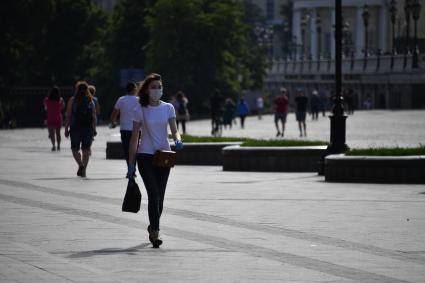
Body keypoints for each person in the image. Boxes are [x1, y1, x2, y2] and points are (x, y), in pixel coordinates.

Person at [127, 73, 183, 248]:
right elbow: (134, 138)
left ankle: (152, 226)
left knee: (161, 199)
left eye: (160, 87)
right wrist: (131, 164)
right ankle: (156, 234)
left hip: (164, 156)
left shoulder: (168, 108)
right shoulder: (140, 109)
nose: (157, 90)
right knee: (154, 195)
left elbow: (175, 129)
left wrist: (178, 139)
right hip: (145, 156)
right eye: (154, 87)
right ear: (146, 90)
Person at [64, 81, 97, 178]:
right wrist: (94, 129)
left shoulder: (72, 100)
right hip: (88, 129)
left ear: (77, 89)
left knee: (75, 149)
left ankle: (81, 165)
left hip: (75, 128)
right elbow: (94, 116)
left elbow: (68, 115)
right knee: (86, 150)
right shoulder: (90, 100)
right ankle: (84, 171)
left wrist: (66, 128)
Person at [110, 82, 140, 170]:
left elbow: (114, 114)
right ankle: (132, 167)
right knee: (135, 150)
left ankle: (130, 168)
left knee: (127, 150)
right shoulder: (139, 100)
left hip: (125, 129)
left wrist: (113, 123)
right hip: (137, 129)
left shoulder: (121, 99)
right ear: (135, 89)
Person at [43, 86, 65, 151]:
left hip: (50, 117)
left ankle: (53, 145)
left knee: (51, 133)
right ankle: (58, 146)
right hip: (58, 117)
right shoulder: (60, 100)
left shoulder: (46, 100)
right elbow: (63, 107)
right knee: (58, 133)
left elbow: (45, 107)